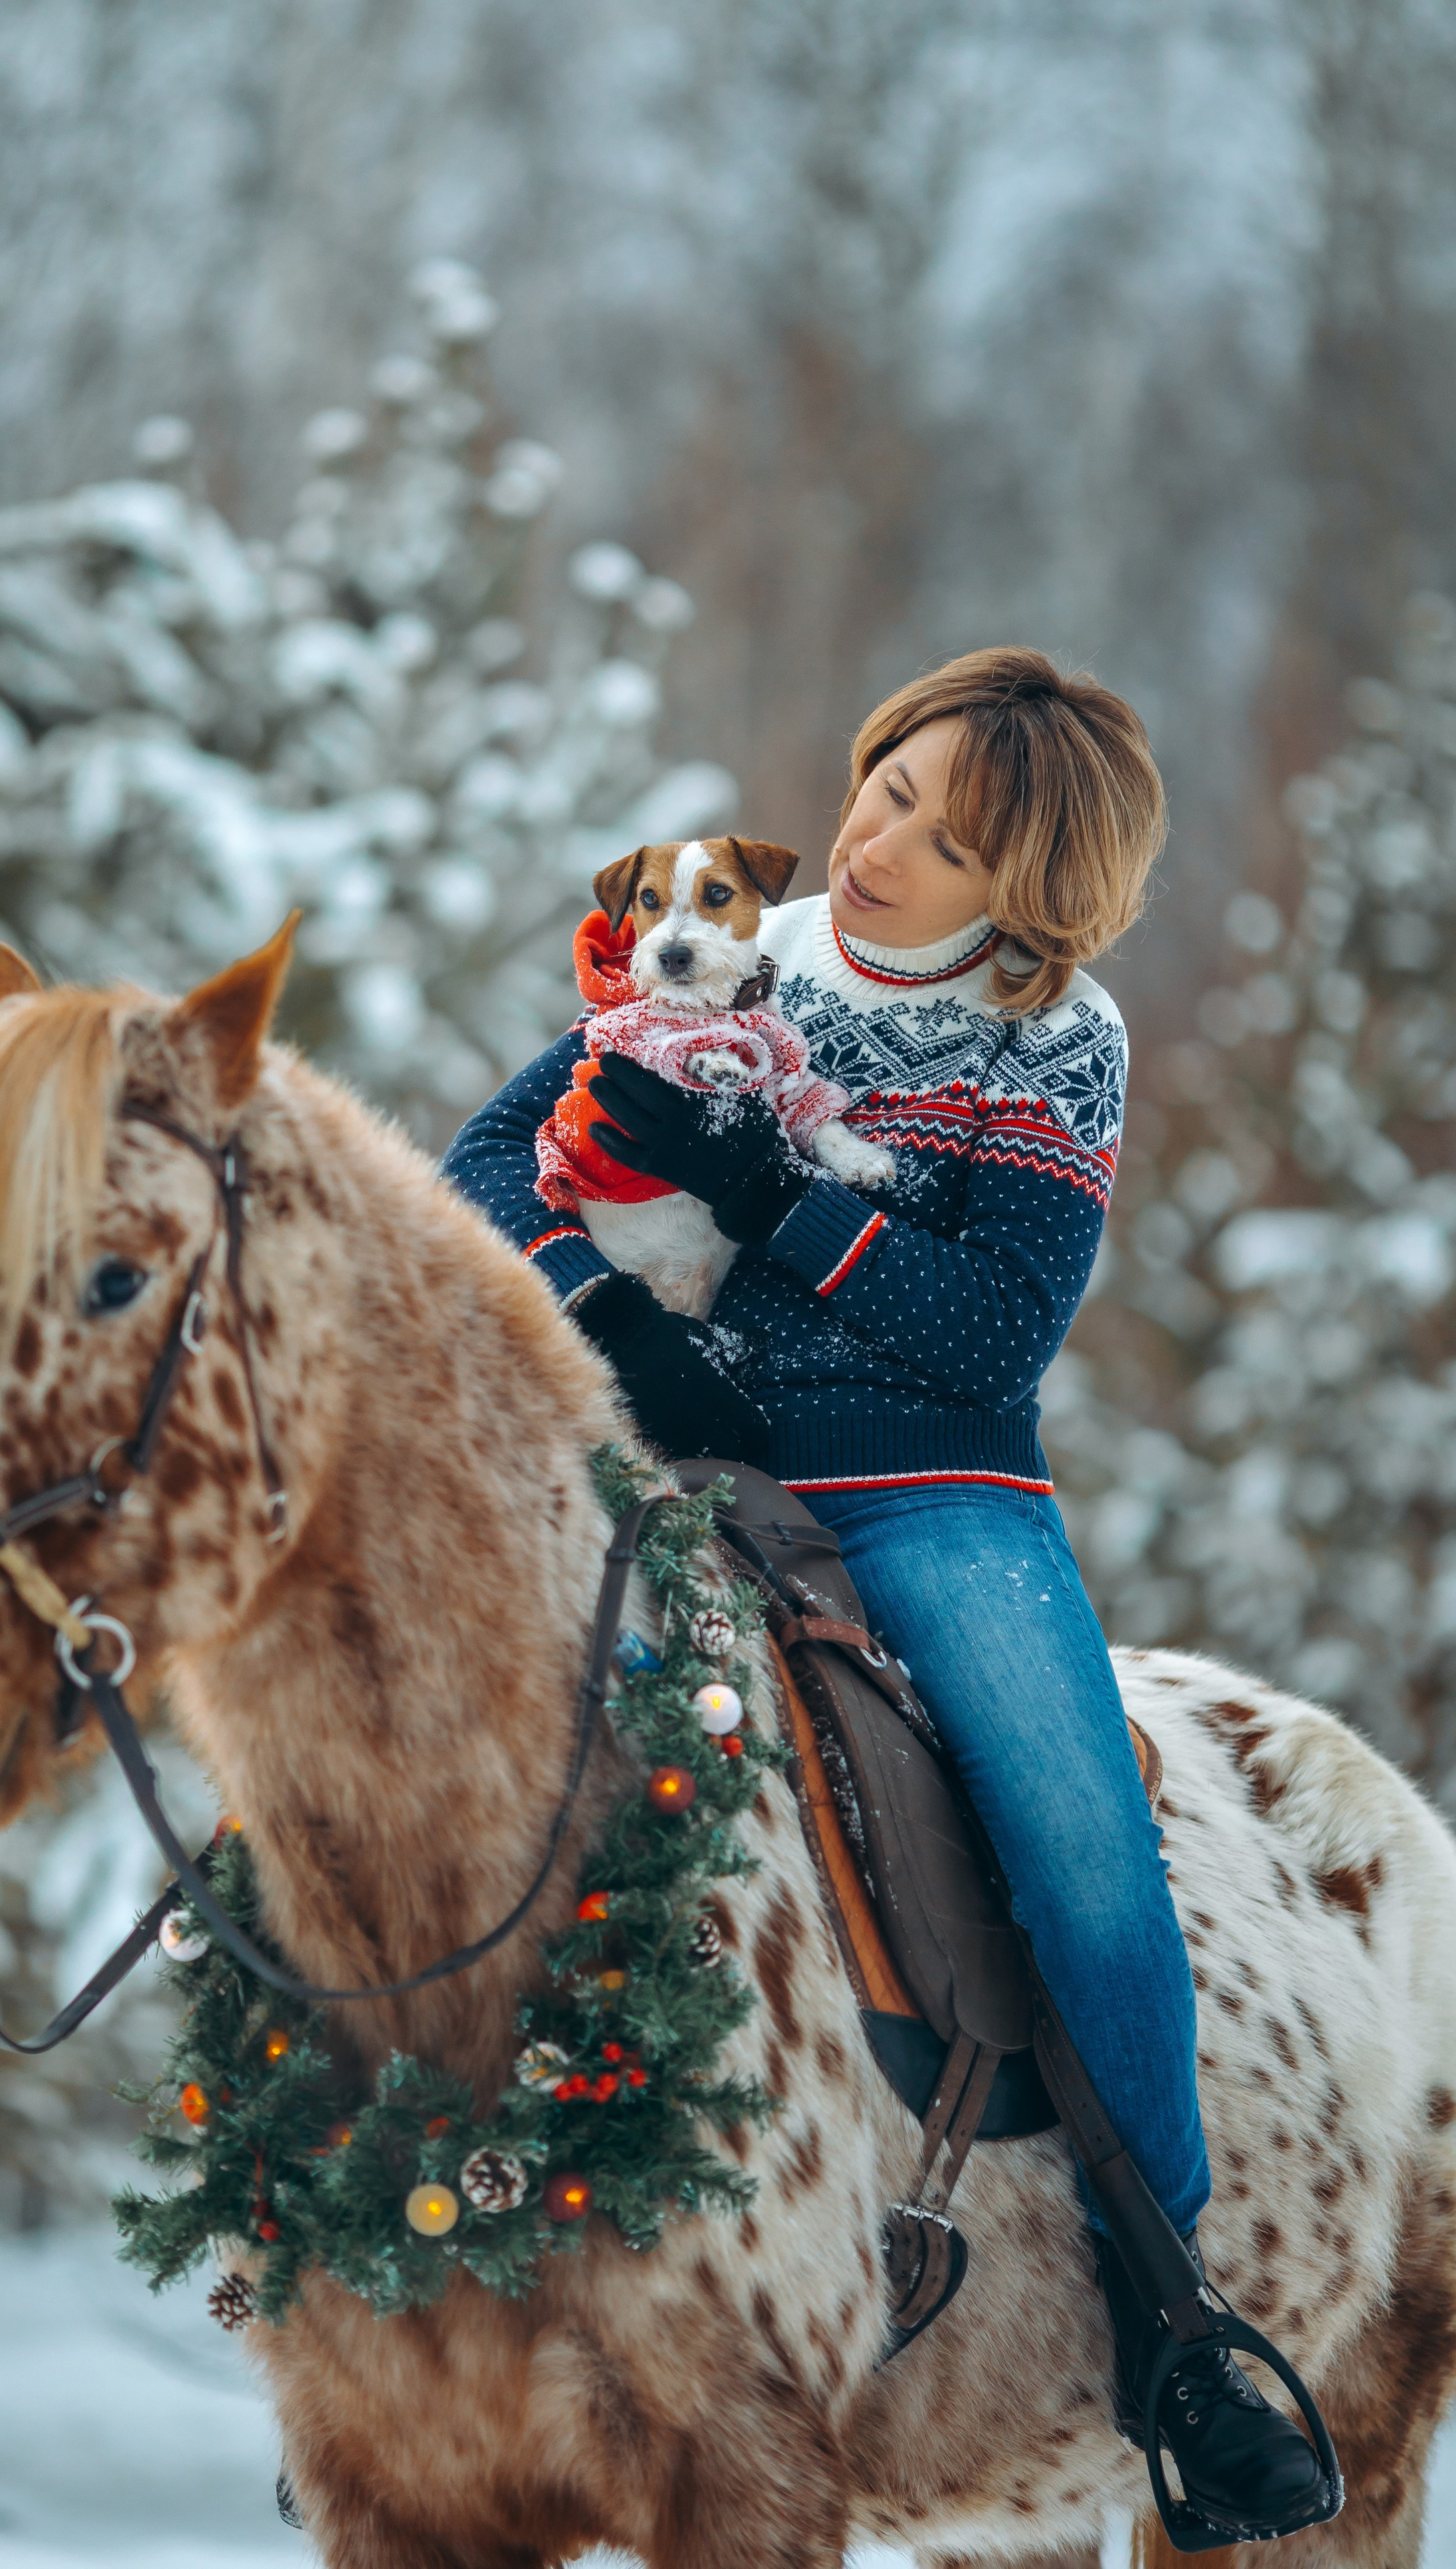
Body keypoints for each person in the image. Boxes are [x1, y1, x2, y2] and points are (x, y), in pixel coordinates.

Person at [442, 646, 1326, 2536]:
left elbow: (985, 1332)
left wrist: (772, 1199)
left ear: (1039, 885)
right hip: (674, 1465)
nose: (877, 838)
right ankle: (411, 2299)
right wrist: (605, 1313)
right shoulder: (728, 964)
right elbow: (483, 1159)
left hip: (928, 1496)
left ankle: (1177, 2328)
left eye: (944, 827)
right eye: (885, 784)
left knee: (1087, 1858)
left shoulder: (1054, 1044)